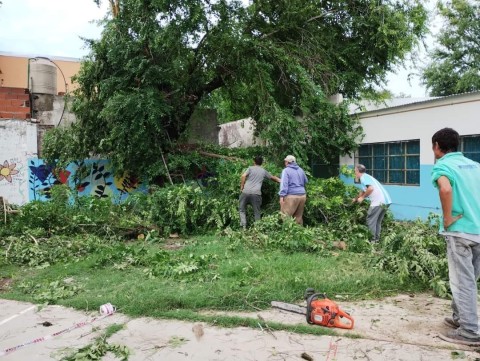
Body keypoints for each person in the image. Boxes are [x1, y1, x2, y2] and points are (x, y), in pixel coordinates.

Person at [431, 127, 480, 346]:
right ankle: (460, 318)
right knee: (469, 279)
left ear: (436, 147)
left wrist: (448, 218)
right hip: (478, 230)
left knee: (462, 282)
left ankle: (470, 332)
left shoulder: (442, 165)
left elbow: (445, 189)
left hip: (461, 232)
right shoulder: (475, 166)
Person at [353, 164, 392, 242]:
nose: (354, 173)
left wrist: (362, 198)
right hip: (386, 201)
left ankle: (372, 241)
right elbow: (363, 190)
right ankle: (376, 240)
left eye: (355, 171)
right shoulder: (366, 177)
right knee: (377, 221)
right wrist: (356, 198)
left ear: (357, 171)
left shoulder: (363, 178)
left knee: (370, 219)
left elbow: (370, 188)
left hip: (378, 202)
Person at [239, 156, 281, 229]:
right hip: (256, 194)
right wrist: (281, 181)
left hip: (245, 192)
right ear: (262, 163)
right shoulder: (263, 171)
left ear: (254, 162)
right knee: (257, 211)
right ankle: (257, 228)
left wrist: (242, 186)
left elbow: (243, 176)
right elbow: (272, 178)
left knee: (242, 209)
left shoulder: (250, 168)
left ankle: (244, 227)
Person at [279, 155, 308, 225]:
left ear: (287, 162)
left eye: (285, 161)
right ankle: (299, 234)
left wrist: (281, 196)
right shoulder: (301, 170)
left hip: (291, 196)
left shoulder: (286, 171)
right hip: (302, 196)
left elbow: (284, 185)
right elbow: (306, 181)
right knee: (298, 217)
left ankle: (287, 234)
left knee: (285, 217)